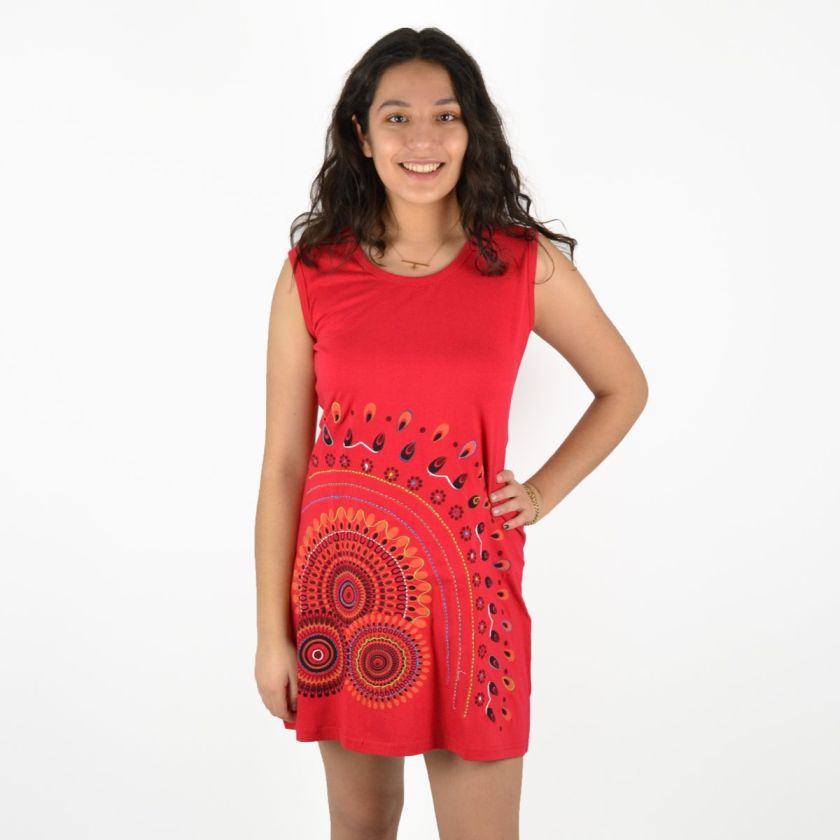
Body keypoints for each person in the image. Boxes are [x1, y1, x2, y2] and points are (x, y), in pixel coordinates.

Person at [254, 27, 648, 840]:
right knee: (360, 825)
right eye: (396, 118)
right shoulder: (311, 273)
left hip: (475, 592)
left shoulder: (523, 263)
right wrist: (270, 636)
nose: (423, 140)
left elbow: (623, 387)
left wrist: (541, 493)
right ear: (362, 135)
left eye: (446, 116)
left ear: (473, 132)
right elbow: (285, 463)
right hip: (343, 590)